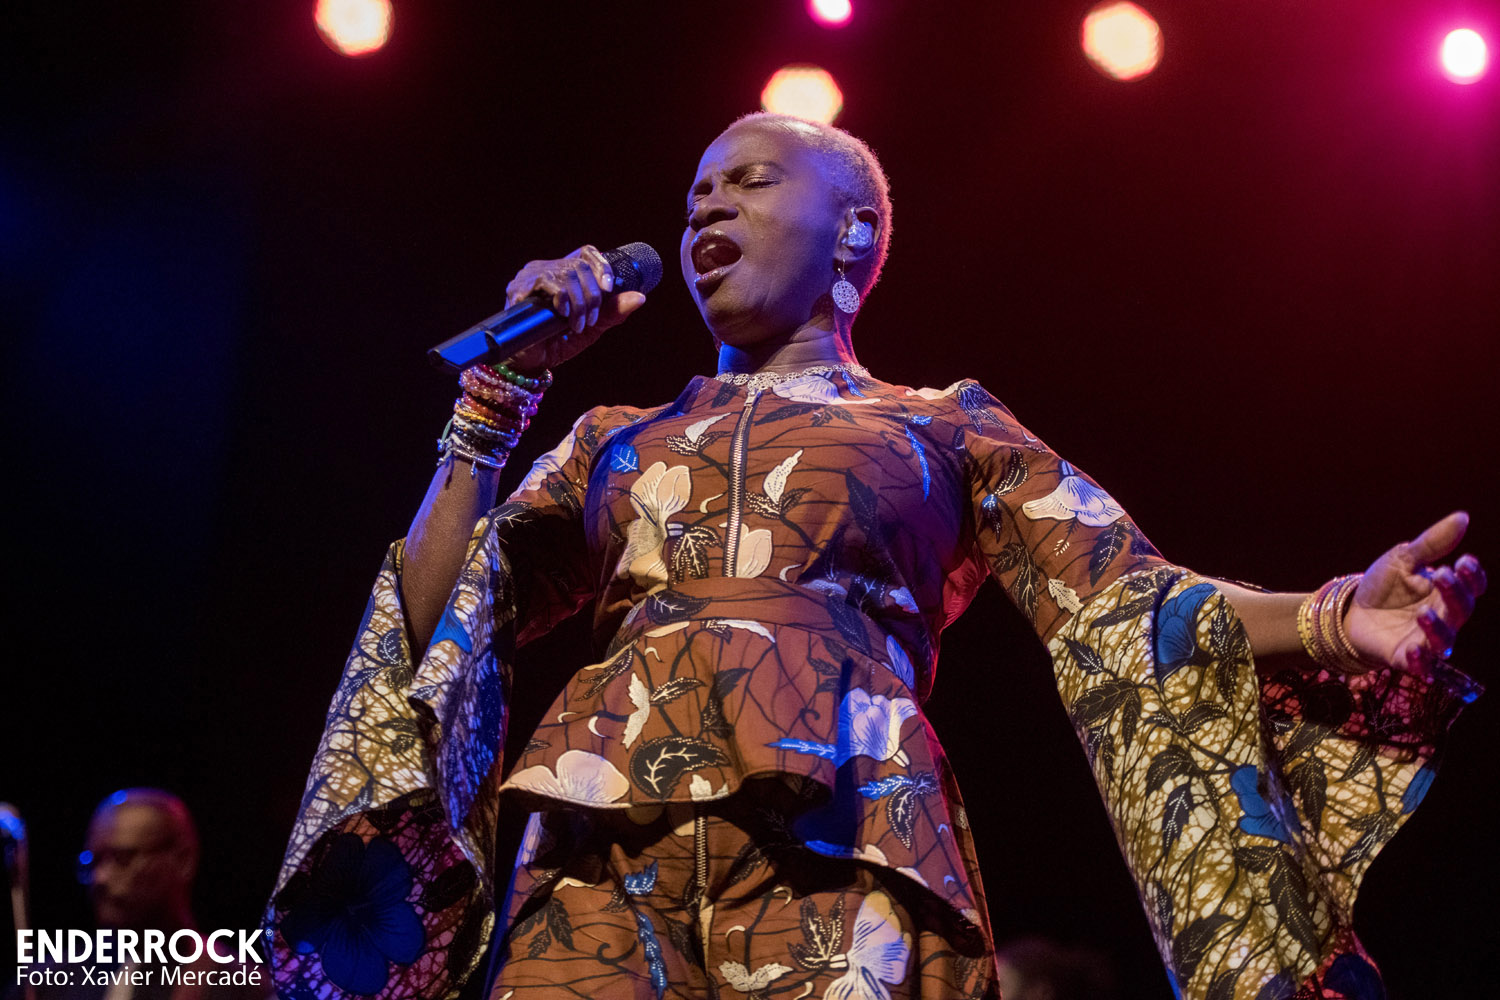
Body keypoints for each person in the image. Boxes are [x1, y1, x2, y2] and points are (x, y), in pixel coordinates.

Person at [264, 113, 1486, 1000]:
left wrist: (1334, 618)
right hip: (598, 845)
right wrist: (495, 399)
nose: (705, 210)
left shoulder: (941, 424)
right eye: (694, 196)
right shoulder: (611, 440)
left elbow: (1129, 604)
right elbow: (431, 630)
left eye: (747, 182)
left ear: (853, 231)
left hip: (847, 833)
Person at [9, 789, 272, 1000]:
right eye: (93, 862)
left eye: (122, 858)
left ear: (183, 860)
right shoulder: (47, 981)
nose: (100, 878)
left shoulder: (242, 987)